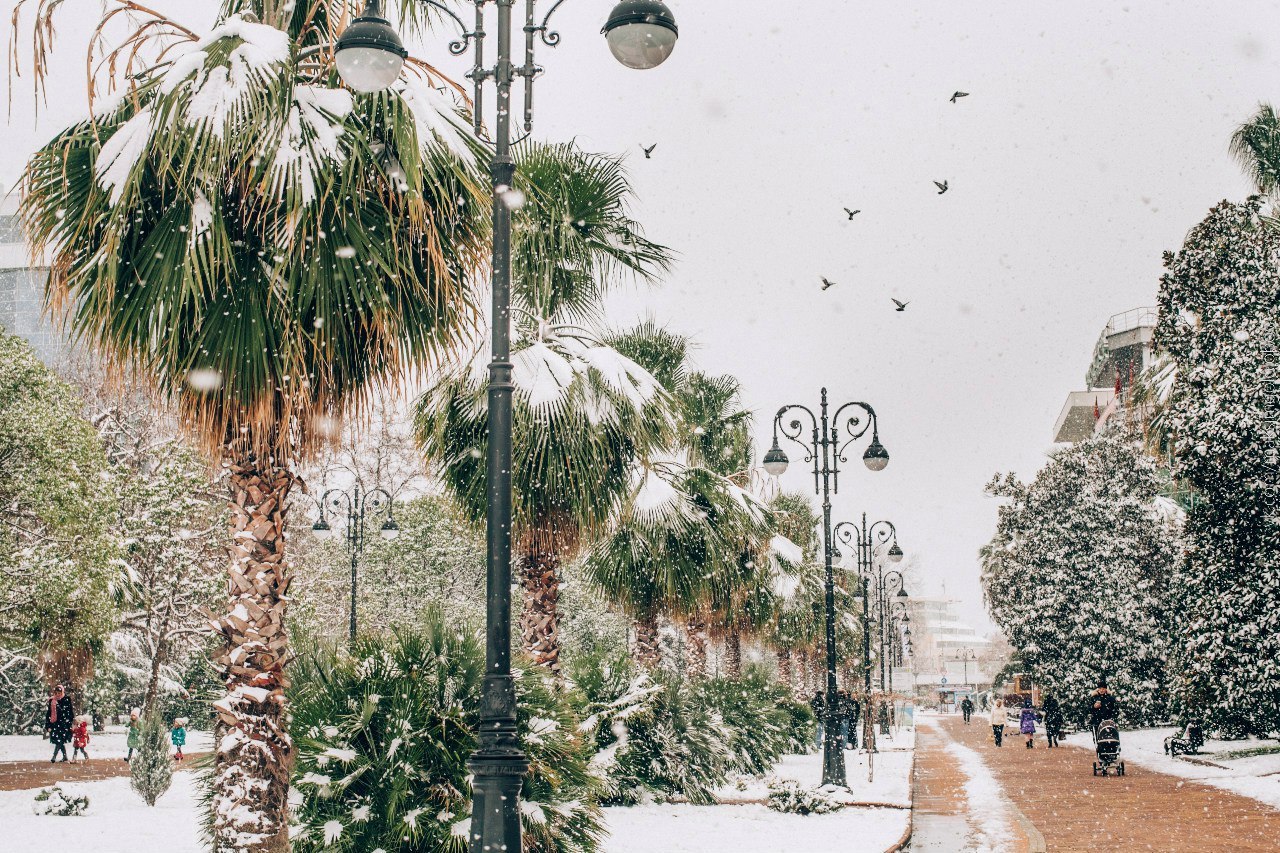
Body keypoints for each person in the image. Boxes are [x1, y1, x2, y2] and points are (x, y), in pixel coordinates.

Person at [44, 685, 73, 763]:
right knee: (59, 741)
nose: (58, 694)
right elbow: (49, 713)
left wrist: (68, 722)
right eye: (56, 693)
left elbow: (70, 712)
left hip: (64, 724)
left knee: (59, 740)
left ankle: (54, 756)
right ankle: (65, 757)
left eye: (59, 692)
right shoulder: (52, 700)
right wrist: (48, 725)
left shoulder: (66, 699)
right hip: (54, 724)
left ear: (62, 692)